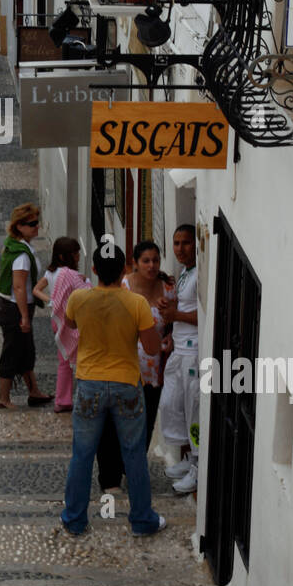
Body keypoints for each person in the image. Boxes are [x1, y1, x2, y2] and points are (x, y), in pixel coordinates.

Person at [60, 243, 166, 538]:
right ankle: (142, 520)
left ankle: (75, 519)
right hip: (126, 385)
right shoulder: (136, 304)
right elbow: (151, 348)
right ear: (124, 271)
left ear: (93, 269)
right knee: (133, 453)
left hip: (90, 383)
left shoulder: (79, 298)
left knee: (82, 453)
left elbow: (69, 322)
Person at [96, 240, 176, 494]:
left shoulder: (168, 289)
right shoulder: (124, 287)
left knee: (144, 423)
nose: (152, 265)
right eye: (146, 261)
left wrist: (172, 334)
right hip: (123, 367)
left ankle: (133, 469)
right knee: (114, 422)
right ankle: (110, 478)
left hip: (153, 371)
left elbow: (175, 322)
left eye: (155, 260)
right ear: (134, 263)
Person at [0, 203, 52, 410]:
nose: (37, 226)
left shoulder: (15, 243)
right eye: (32, 224)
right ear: (20, 226)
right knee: (12, 351)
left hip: (9, 306)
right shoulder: (20, 255)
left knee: (26, 349)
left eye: (37, 222)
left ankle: (34, 391)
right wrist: (24, 317)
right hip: (14, 309)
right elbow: (19, 288)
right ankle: (3, 398)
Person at [157, 223, 200, 494]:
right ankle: (189, 457)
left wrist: (176, 316)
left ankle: (197, 465)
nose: (180, 248)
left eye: (185, 243)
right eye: (176, 243)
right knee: (171, 404)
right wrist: (170, 316)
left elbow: (203, 314)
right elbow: (183, 308)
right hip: (179, 349)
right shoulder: (185, 273)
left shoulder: (199, 274)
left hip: (193, 352)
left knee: (194, 409)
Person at [32, 237, 90, 413]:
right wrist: (86, 281)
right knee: (81, 359)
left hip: (57, 320)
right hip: (71, 321)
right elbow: (86, 293)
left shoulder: (52, 273)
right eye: (75, 254)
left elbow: (36, 289)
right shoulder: (70, 275)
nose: (78, 257)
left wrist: (52, 301)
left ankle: (62, 400)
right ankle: (80, 398)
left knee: (64, 361)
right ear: (64, 257)